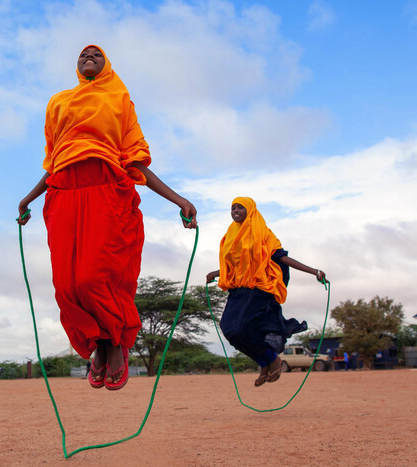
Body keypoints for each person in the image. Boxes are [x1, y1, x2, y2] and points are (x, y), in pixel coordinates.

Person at [18, 45, 197, 391]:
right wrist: (27, 199)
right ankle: (96, 345)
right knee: (67, 285)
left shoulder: (118, 98)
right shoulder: (57, 103)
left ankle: (114, 343)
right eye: (83, 54)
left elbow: (135, 160)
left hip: (106, 190)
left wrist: (178, 199)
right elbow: (54, 160)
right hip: (63, 193)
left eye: (96, 54)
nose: (88, 56)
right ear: (76, 65)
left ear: (106, 65)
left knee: (93, 278)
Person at [206, 197, 326, 388]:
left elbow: (282, 258)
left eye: (240, 208)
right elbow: (239, 264)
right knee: (229, 329)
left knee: (242, 328)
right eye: (232, 208)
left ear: (250, 210)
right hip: (239, 289)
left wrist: (314, 272)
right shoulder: (230, 234)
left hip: (259, 288)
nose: (235, 211)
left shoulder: (263, 233)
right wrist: (216, 273)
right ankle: (265, 360)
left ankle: (269, 362)